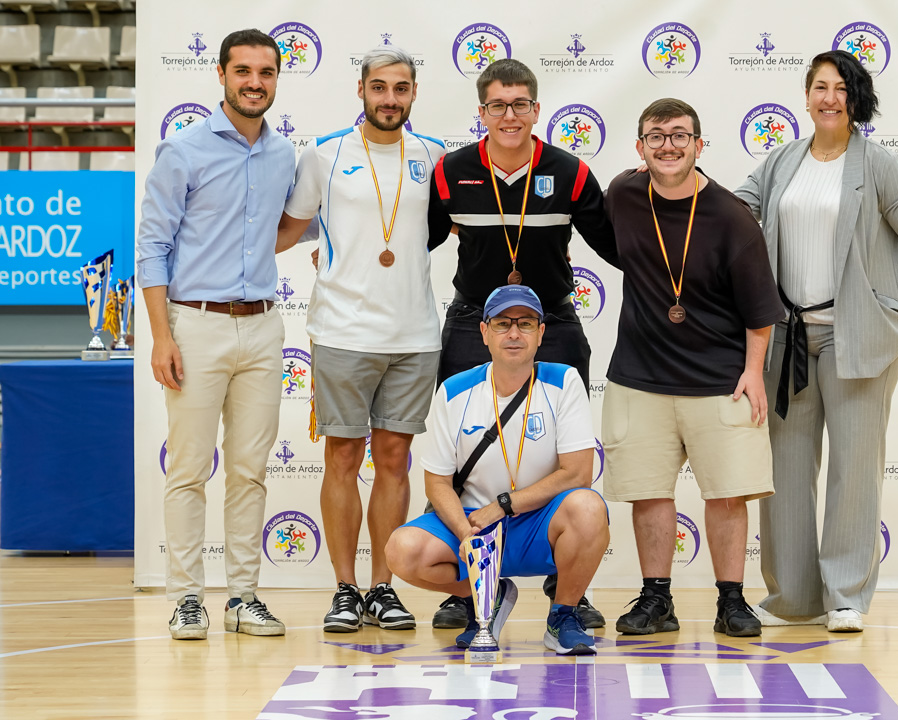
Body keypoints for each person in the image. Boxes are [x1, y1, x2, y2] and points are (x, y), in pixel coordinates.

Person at [735, 50, 898, 633]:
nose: (829, 98)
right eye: (820, 87)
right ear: (805, 97)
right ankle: (792, 598)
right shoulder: (779, 162)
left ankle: (846, 596)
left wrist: (874, 287)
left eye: (841, 89)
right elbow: (733, 216)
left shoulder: (878, 165)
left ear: (856, 100)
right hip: (788, 341)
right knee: (786, 470)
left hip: (859, 341)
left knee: (854, 470)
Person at [426, 58, 614, 629]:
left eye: (521, 104)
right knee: (465, 452)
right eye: (498, 105)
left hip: (550, 322)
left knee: (566, 450)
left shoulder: (571, 171)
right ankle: (470, 586)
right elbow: (411, 242)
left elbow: (619, 248)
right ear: (481, 112)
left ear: (537, 109)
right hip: (470, 323)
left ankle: (568, 584)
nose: (510, 115)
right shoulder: (450, 171)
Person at [275, 45, 446, 633]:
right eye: (380, 88)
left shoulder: (434, 156)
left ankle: (383, 588)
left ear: (413, 94)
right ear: (362, 90)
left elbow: (449, 230)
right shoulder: (323, 154)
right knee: (343, 457)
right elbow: (287, 231)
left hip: (415, 335)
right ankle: (345, 589)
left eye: (401, 89)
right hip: (342, 332)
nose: (390, 99)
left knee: (395, 460)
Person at [602, 98, 785, 638]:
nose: (668, 146)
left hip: (719, 378)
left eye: (680, 136)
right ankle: (656, 599)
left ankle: (732, 601)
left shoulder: (732, 216)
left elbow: (760, 311)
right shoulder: (624, 195)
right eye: (656, 136)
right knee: (650, 494)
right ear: (640, 148)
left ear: (699, 146)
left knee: (727, 494)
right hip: (640, 376)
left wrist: (753, 372)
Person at [137, 29, 293, 640]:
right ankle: (186, 598)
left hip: (263, 326)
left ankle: (244, 597)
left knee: (250, 471)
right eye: (244, 71)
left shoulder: (285, 156)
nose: (255, 82)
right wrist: (160, 336)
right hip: (193, 325)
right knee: (189, 469)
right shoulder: (183, 151)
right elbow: (151, 247)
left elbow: (288, 228)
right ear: (222, 75)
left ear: (277, 79)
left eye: (266, 72)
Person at [386, 285, 610, 655]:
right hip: (473, 521)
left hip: (538, 520)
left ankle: (562, 615)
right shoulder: (455, 390)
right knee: (401, 550)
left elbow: (577, 474)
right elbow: (437, 482)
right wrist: (464, 531)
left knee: (587, 508)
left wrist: (504, 505)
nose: (514, 333)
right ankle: (488, 595)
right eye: (503, 323)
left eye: (525, 323)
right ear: (484, 332)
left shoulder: (564, 381)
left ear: (541, 333)